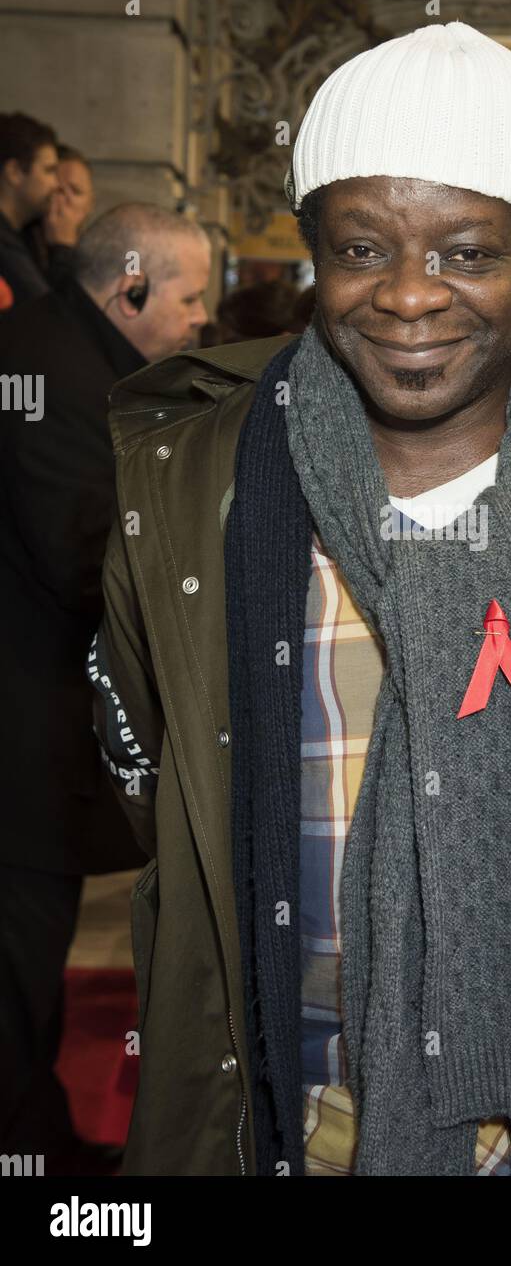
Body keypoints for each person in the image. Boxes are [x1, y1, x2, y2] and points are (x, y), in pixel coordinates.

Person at [91, 23, 511, 1178]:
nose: (410, 297)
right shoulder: (191, 491)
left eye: (467, 252)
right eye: (363, 248)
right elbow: (160, 788)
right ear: (314, 251)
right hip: (291, 1118)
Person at [0, 203, 211, 1175]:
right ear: (130, 288)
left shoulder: (68, 353)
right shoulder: (44, 370)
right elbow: (85, 555)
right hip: (19, 740)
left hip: (35, 730)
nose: (202, 317)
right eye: (190, 296)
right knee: (17, 971)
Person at [0, 113, 80, 306]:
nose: (57, 185)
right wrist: (63, 248)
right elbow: (50, 315)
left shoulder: (25, 235)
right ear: (15, 173)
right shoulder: (4, 245)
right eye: (49, 171)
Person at [22, 145, 95, 276]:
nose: (64, 199)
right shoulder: (18, 246)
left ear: (90, 203)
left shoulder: (97, 254)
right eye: (57, 189)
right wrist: (62, 247)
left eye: (76, 191)